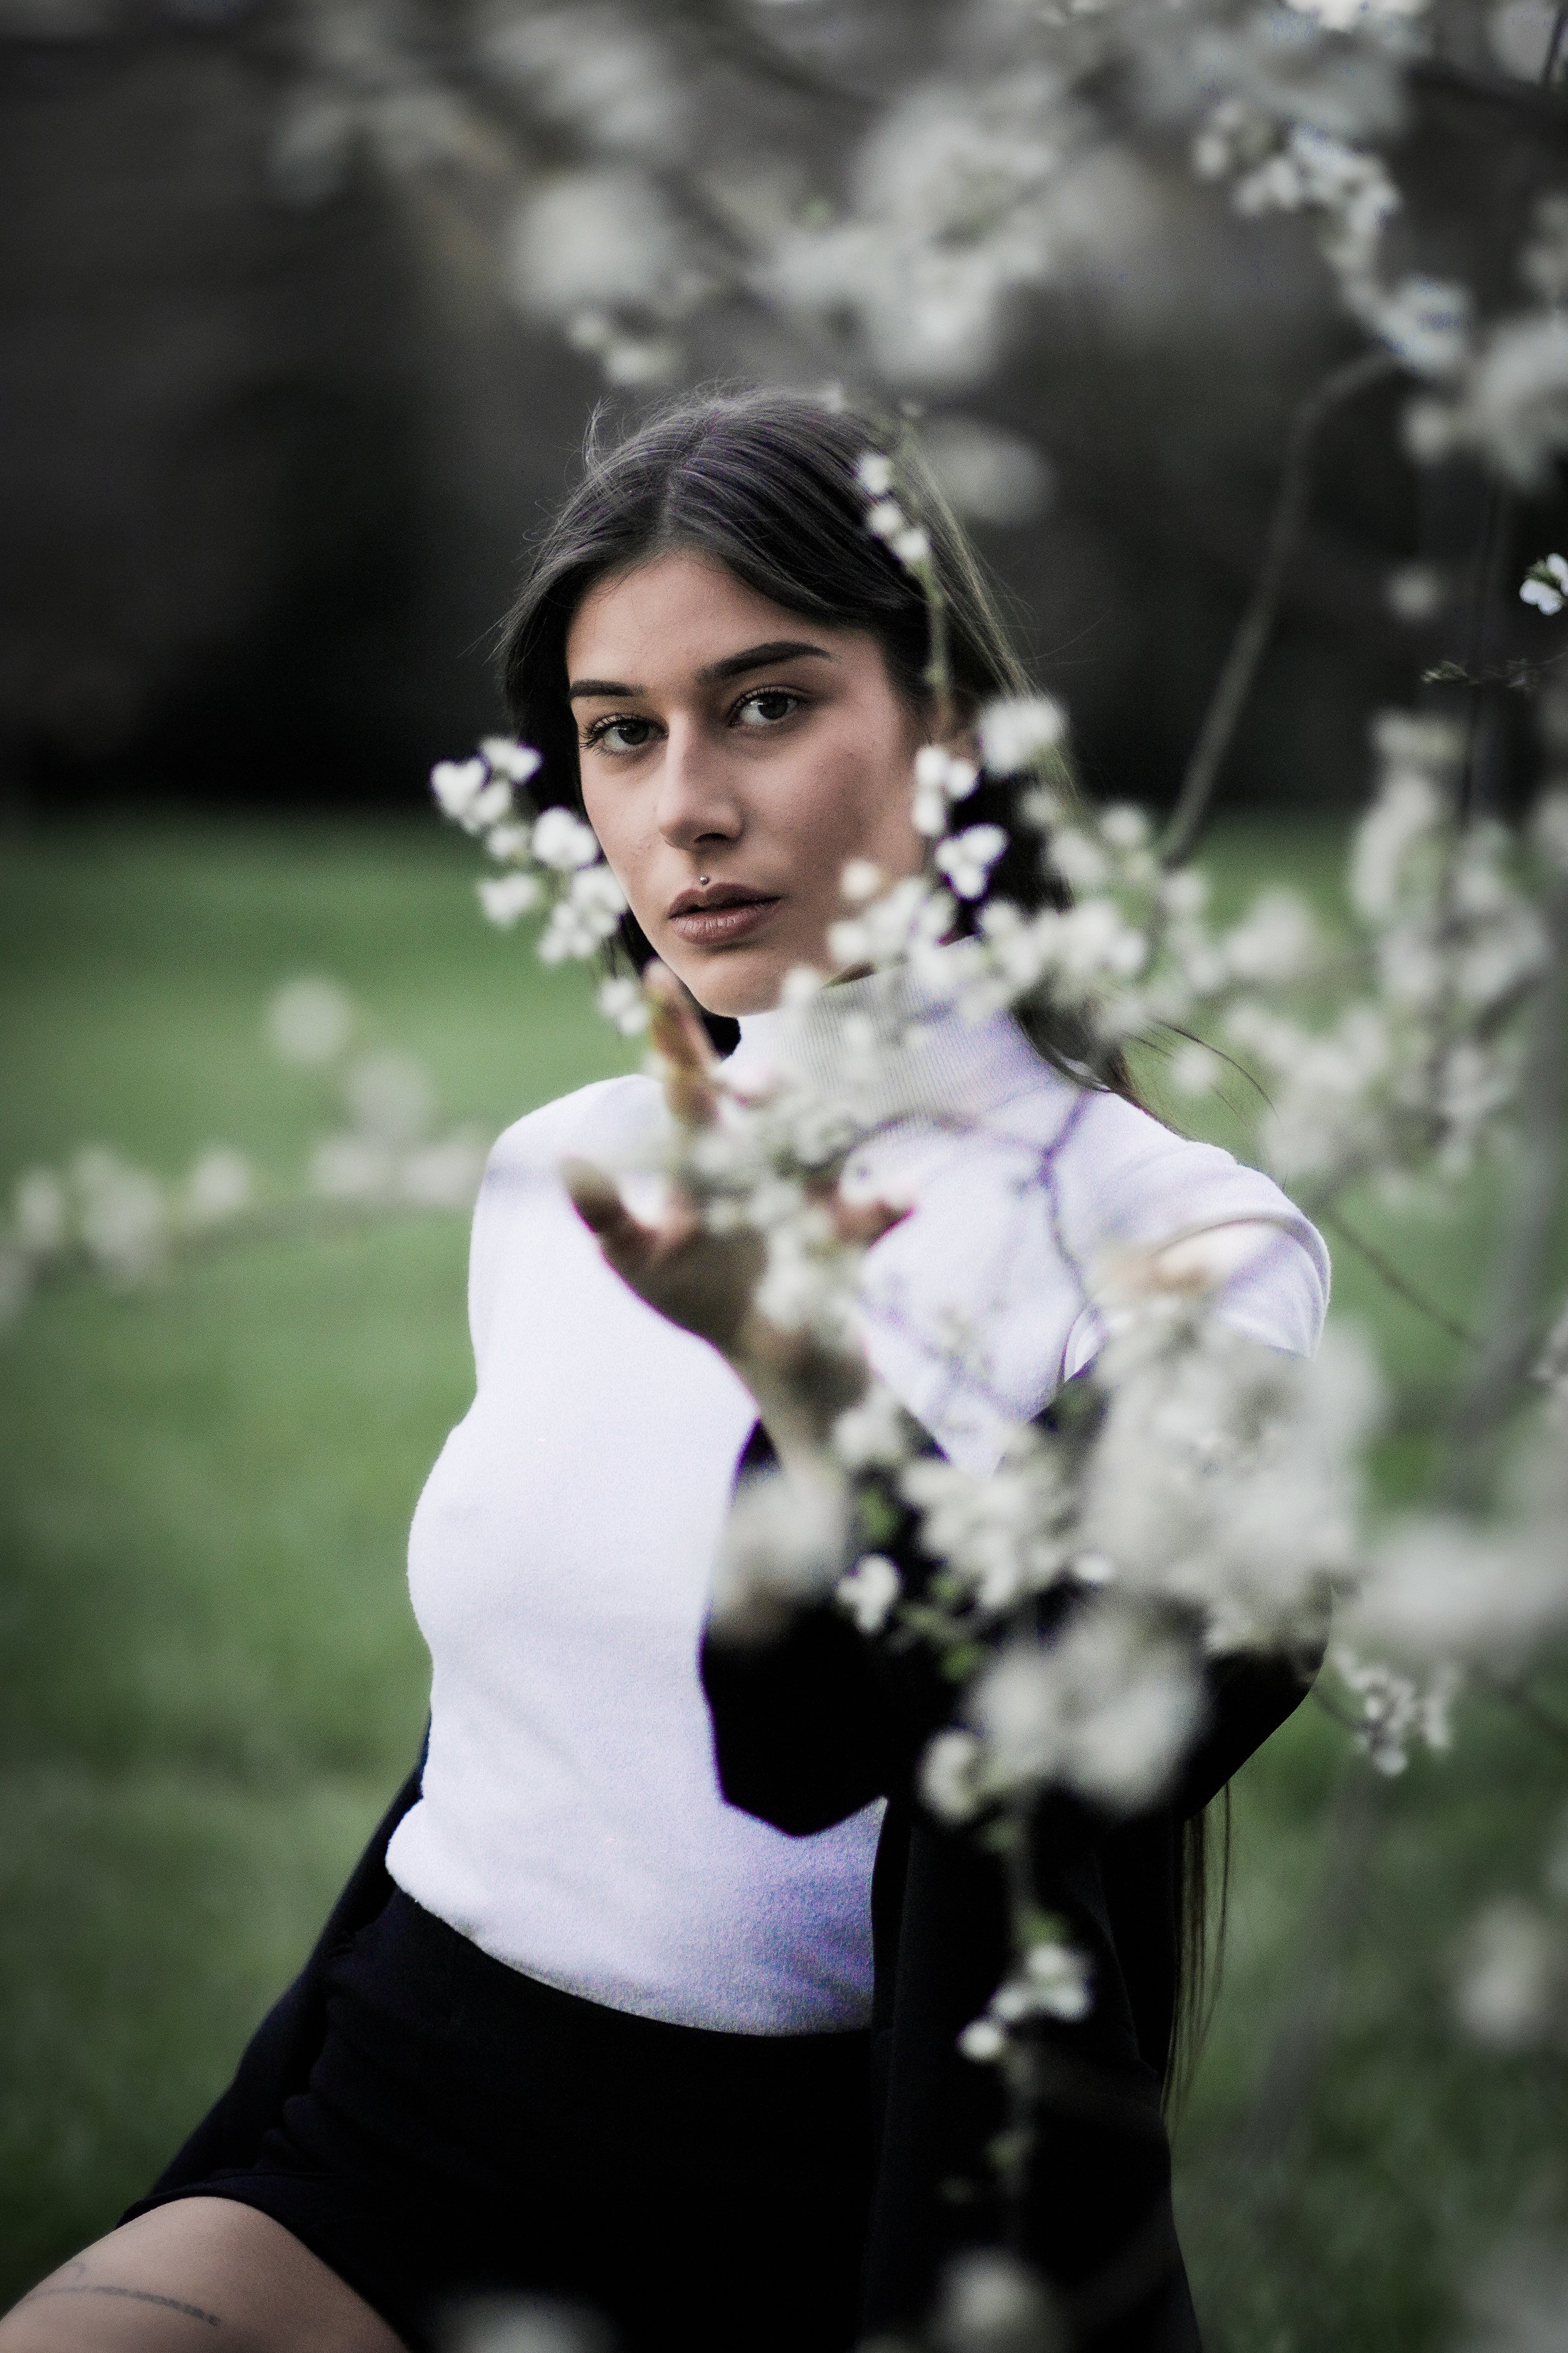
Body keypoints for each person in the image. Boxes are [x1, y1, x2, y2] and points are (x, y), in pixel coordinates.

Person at [0, 391, 1328, 2353]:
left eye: (765, 706)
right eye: (619, 732)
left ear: (953, 728)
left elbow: (1036, 1728)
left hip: (823, 2219)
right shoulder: (565, 1175)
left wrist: (800, 1368)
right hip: (392, 2123)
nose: (685, 804)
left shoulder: (1186, 1242)